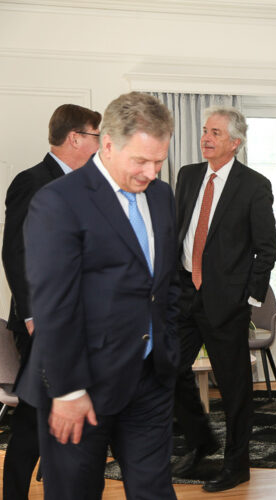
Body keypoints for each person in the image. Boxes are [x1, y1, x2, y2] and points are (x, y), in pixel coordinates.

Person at [15, 91, 180, 499]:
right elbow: (54, 305)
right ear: (107, 144)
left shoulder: (161, 196)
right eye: (140, 160)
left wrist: (169, 344)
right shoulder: (58, 201)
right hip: (81, 384)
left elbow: (166, 282)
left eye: (159, 161)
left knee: (155, 492)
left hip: (149, 379)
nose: (151, 173)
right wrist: (68, 391)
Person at [172, 106, 276, 492]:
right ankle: (201, 440)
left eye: (215, 132)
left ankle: (237, 465)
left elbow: (266, 249)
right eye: (204, 130)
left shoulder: (254, 185)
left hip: (226, 302)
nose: (206, 137)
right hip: (183, 293)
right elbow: (178, 231)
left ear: (235, 142)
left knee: (234, 389)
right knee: (166, 370)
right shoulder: (187, 176)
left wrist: (246, 298)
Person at [2, 103, 101, 500]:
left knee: (67, 419)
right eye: (96, 137)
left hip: (79, 323)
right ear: (75, 137)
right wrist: (32, 317)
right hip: (42, 325)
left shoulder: (88, 185)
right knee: (32, 420)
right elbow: (16, 253)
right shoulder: (33, 181)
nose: (101, 145)